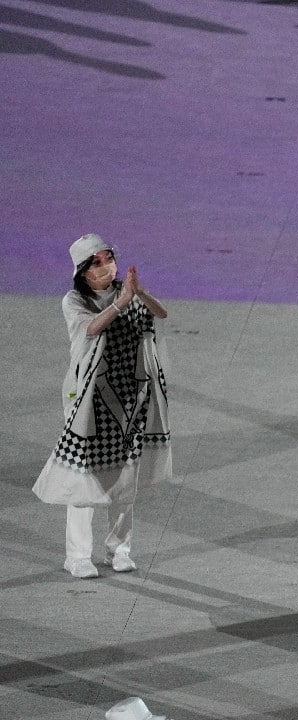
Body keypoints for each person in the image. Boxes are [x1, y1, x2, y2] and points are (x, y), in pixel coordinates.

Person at [33, 233, 172, 579]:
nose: (106, 265)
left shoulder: (127, 290)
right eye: (96, 262)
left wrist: (139, 293)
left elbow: (161, 313)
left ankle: (118, 550)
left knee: (126, 477)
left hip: (129, 398)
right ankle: (77, 556)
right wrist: (122, 302)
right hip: (87, 398)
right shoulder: (74, 301)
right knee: (84, 479)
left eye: (108, 257)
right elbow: (92, 328)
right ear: (83, 271)